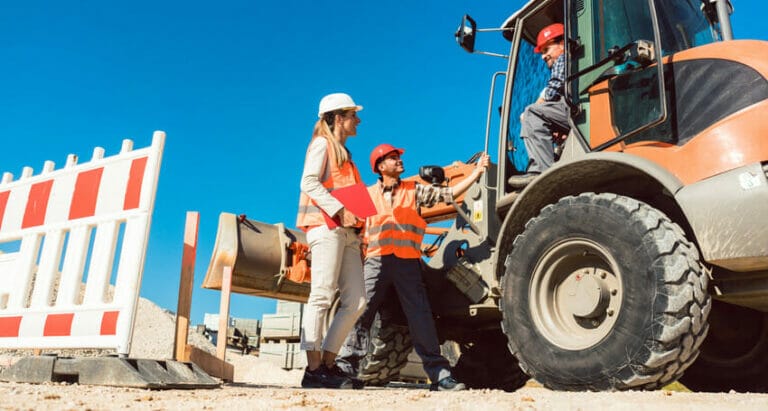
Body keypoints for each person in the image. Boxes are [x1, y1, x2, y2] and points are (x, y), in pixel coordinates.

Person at [336, 143, 490, 391]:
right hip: (376, 262)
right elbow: (340, 216)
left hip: (407, 263)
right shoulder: (366, 195)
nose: (399, 161)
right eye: (393, 158)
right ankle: (345, 370)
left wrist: (476, 173)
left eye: (399, 157)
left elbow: (448, 195)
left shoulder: (414, 190)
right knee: (361, 313)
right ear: (380, 166)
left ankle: (440, 376)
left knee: (420, 317)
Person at [296, 92, 368, 389]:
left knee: (357, 301)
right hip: (324, 226)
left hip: (347, 233)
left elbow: (352, 195)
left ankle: (328, 363)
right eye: (353, 115)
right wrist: (340, 210)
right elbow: (308, 181)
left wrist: (360, 224)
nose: (358, 120)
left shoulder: (346, 157)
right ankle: (313, 371)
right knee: (322, 295)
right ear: (339, 118)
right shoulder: (322, 145)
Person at [509, 22, 570, 188]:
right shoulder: (573, 62)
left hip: (573, 109)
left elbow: (553, 90)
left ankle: (540, 171)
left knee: (531, 113)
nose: (543, 56)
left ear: (563, 44)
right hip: (572, 112)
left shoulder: (564, 58)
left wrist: (530, 112)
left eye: (546, 50)